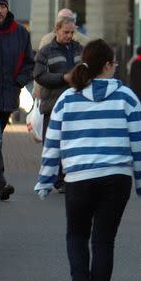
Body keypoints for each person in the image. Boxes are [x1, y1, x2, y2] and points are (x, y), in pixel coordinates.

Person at [34, 39, 141, 281]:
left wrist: (46, 180)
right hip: (117, 177)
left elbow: (52, 143)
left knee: (76, 235)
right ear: (108, 65)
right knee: (103, 241)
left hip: (78, 176)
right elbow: (139, 144)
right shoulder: (126, 96)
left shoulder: (67, 98)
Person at [33, 15, 84, 192]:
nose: (69, 36)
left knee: (73, 143)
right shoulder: (46, 51)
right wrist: (63, 78)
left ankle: (67, 178)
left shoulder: (80, 49)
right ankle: (54, 178)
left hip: (76, 104)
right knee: (53, 143)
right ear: (56, 30)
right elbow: (39, 75)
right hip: (53, 105)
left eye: (72, 32)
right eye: (65, 32)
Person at [0, 0, 34, 202]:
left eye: (2, 6)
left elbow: (29, 62)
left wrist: (19, 81)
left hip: (8, 97)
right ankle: (1, 185)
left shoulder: (19, 32)